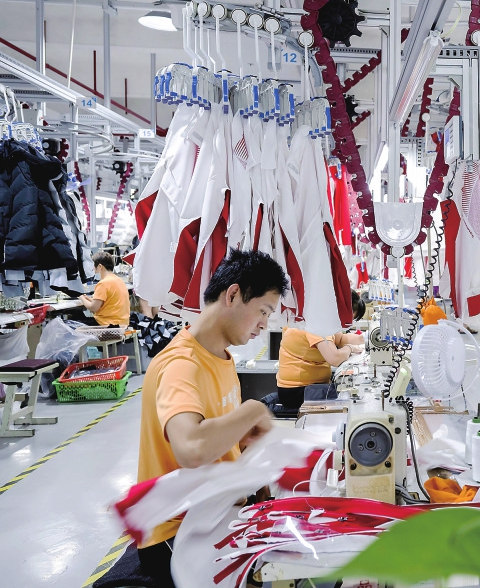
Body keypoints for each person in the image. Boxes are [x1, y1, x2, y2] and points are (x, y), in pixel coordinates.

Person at [135, 249, 288, 587]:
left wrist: (255, 472)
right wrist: (252, 411)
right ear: (232, 294)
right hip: (178, 536)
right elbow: (191, 448)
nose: (265, 324)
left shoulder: (221, 357)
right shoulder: (180, 365)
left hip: (217, 515)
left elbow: (221, 437)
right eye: (263, 311)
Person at [276, 291, 366, 410]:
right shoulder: (316, 322)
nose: (346, 324)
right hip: (298, 392)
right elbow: (335, 358)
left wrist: (366, 338)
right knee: (356, 397)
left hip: (309, 387)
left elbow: (341, 339)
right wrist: (350, 348)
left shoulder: (319, 317)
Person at [79, 252, 131, 326]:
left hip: (106, 324)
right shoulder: (119, 280)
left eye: (94, 267)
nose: (93, 269)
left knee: (69, 324)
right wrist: (90, 300)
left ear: (100, 266)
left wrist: (81, 297)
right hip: (122, 324)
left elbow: (93, 308)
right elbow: (108, 303)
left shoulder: (103, 283)